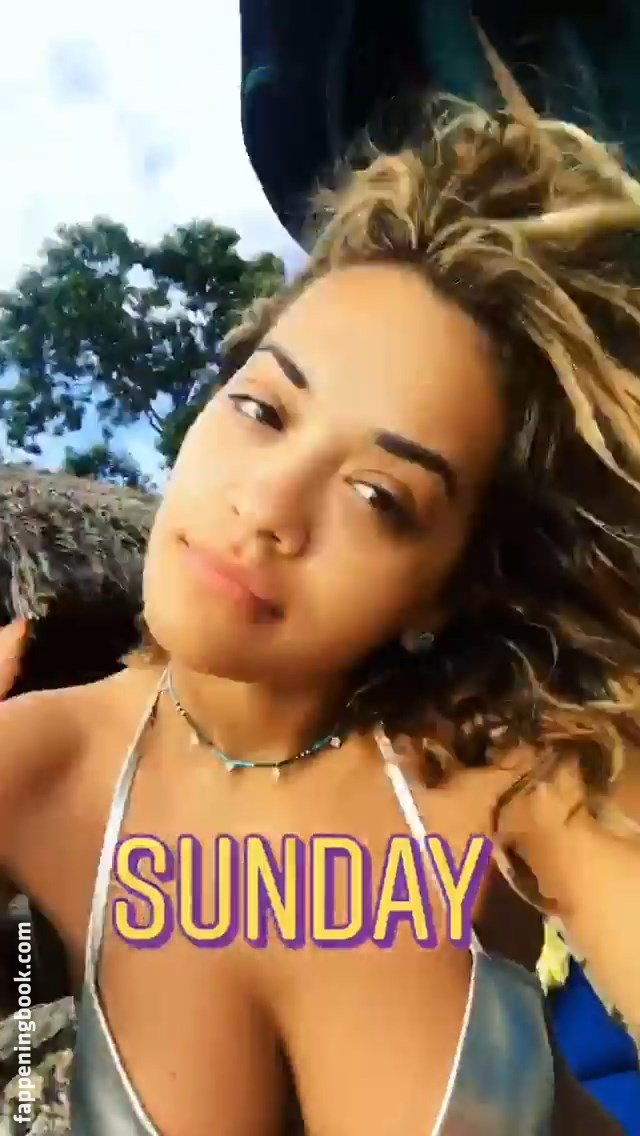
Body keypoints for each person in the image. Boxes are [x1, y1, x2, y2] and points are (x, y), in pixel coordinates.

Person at [1, 87, 640, 1136]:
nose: (267, 507)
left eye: (380, 496)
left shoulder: (508, 772)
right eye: (262, 409)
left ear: (445, 587)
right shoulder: (39, 768)